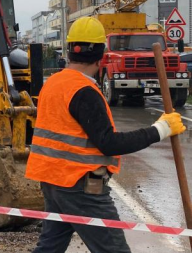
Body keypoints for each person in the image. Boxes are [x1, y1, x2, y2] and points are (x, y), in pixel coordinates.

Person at [25, 17, 186, 253]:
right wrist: (160, 130)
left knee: (50, 247)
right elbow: (109, 143)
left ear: (70, 50)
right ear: (101, 53)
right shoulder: (84, 91)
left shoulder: (53, 83)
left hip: (52, 180)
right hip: (80, 186)